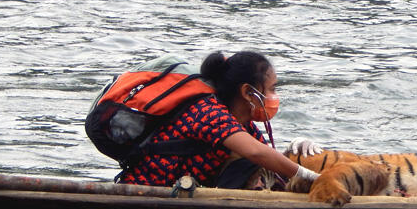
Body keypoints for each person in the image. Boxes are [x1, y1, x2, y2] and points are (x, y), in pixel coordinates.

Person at [117, 51, 319, 189]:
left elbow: (269, 162)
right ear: (248, 92)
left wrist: (295, 149)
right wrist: (314, 177)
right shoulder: (208, 112)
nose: (274, 96)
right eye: (272, 89)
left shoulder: (244, 126)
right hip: (146, 192)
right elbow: (257, 153)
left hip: (177, 199)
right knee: (250, 162)